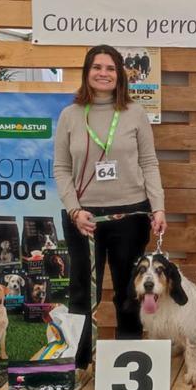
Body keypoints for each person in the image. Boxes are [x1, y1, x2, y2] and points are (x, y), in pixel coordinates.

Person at [53, 45, 167, 371]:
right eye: (97, 67)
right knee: (80, 295)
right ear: (87, 72)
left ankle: (129, 364)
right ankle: (78, 365)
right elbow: (61, 168)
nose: (103, 73)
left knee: (128, 293)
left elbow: (148, 162)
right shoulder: (70, 116)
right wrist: (74, 210)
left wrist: (157, 207)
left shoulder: (134, 113)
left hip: (130, 216)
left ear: (120, 75)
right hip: (83, 219)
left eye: (110, 68)